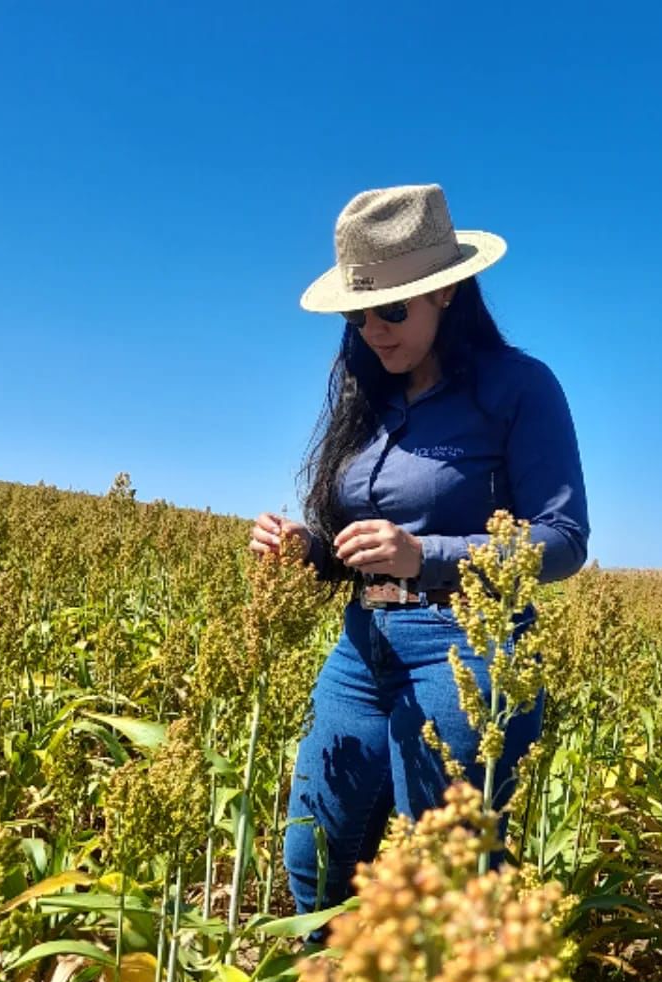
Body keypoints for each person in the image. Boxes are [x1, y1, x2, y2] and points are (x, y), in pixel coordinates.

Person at [249, 183, 589, 930]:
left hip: (465, 650)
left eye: (393, 309)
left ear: (447, 295)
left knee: (443, 875)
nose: (372, 328)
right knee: (315, 849)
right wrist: (307, 548)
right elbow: (362, 549)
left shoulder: (518, 388)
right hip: (362, 646)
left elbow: (563, 541)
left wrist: (423, 554)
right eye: (357, 313)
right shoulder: (366, 393)